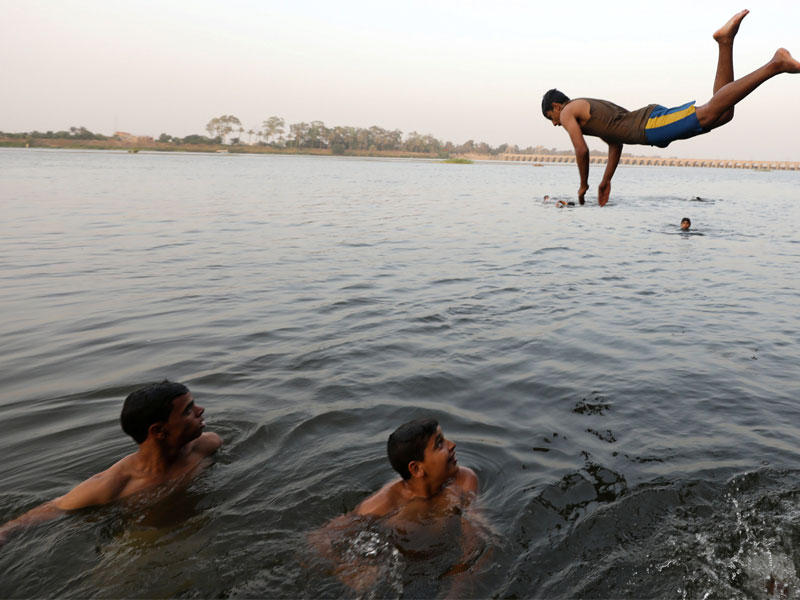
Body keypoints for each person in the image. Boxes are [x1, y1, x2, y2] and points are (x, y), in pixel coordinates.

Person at [541, 10, 800, 206]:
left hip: (649, 125)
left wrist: (583, 185)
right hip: (648, 125)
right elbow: (615, 141)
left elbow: (581, 150)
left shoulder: (567, 112)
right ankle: (725, 42)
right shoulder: (589, 110)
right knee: (723, 113)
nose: (555, 123)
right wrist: (607, 179)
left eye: (550, 117)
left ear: (555, 106)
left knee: (711, 111)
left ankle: (775, 65)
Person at [0, 380, 222, 546]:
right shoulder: (114, 484)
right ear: (158, 431)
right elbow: (55, 507)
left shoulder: (206, 446)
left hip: (196, 534)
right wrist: (6, 532)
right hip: (139, 546)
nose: (201, 411)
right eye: (188, 410)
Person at [310, 418, 486, 595]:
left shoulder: (464, 481)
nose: (452, 445)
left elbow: (474, 536)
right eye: (439, 444)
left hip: (437, 568)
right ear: (416, 469)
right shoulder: (384, 503)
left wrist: (459, 585)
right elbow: (319, 539)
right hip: (394, 570)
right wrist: (349, 570)